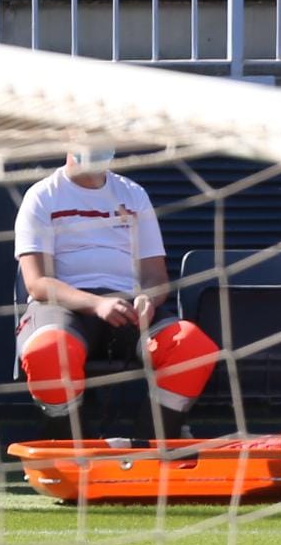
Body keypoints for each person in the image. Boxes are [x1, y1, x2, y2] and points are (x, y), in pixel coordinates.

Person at [14, 145, 217, 436]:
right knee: (47, 353)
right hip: (62, 305)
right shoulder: (42, 195)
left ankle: (150, 446)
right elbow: (37, 282)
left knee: (192, 347)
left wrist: (149, 297)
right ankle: (72, 447)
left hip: (128, 306)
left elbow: (155, 276)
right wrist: (96, 304)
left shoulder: (134, 194)